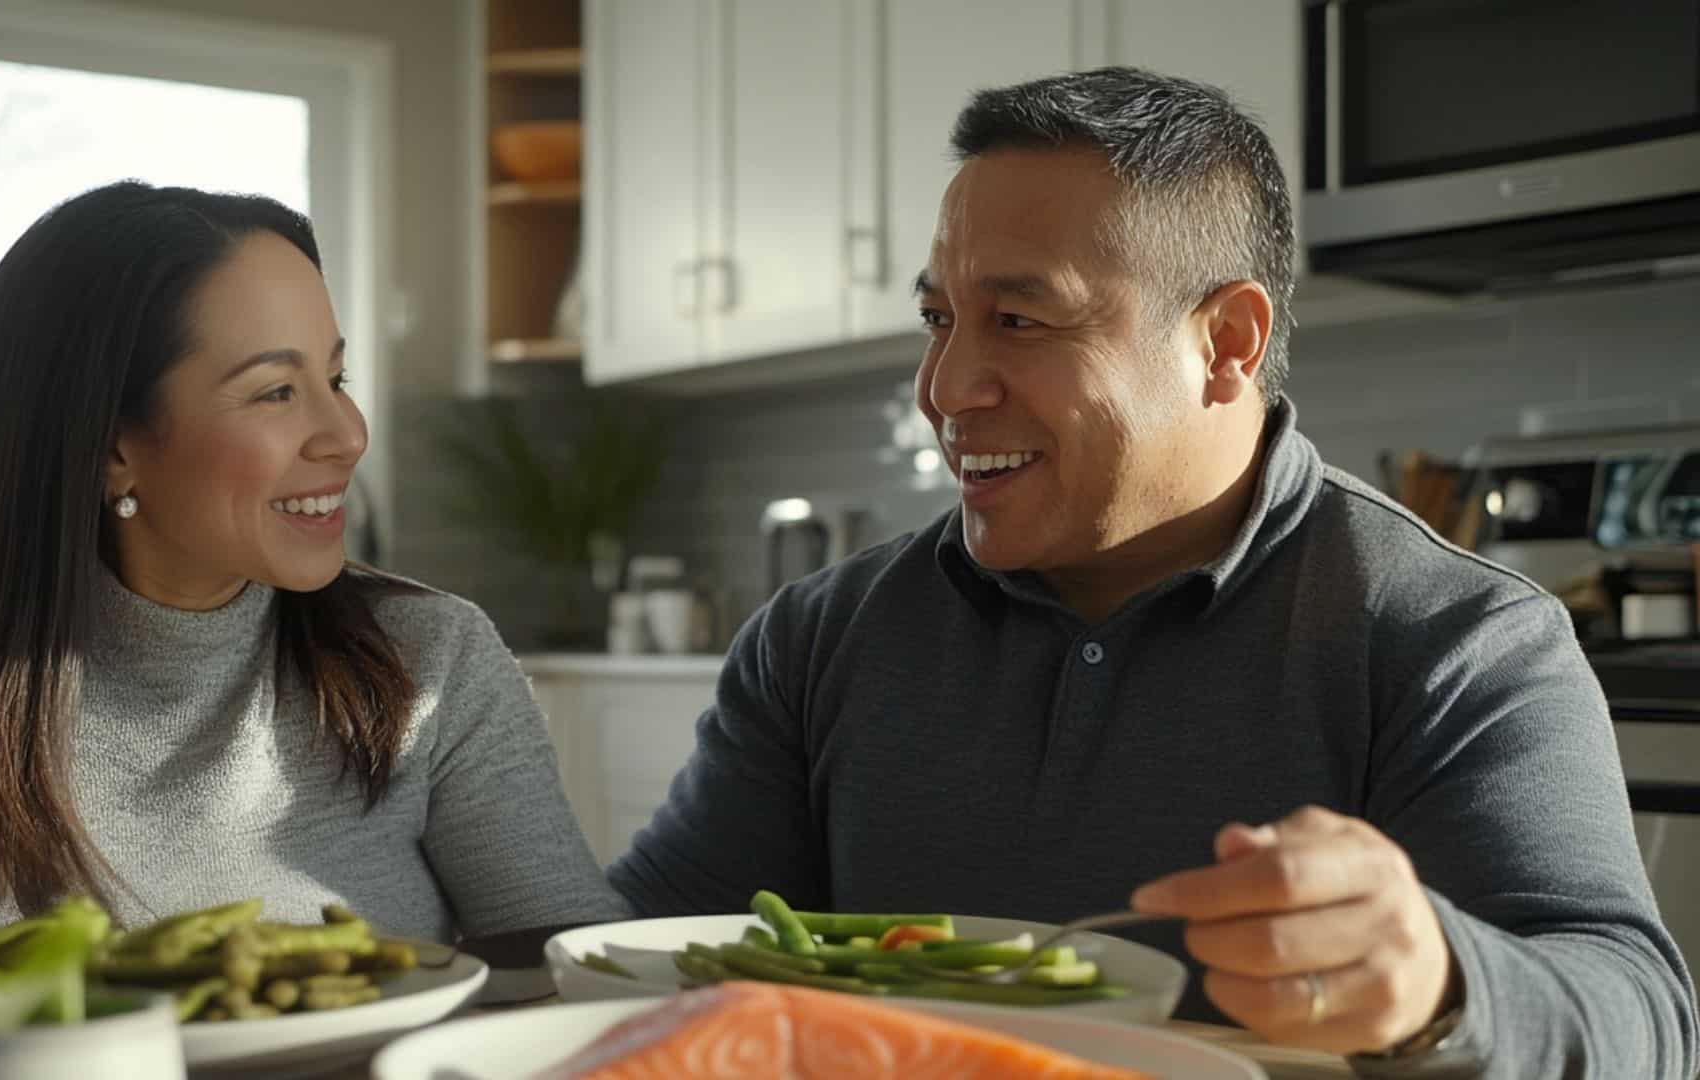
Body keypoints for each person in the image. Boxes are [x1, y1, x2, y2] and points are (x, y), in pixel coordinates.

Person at [607, 68, 1697, 1077]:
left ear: (1226, 342)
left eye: (1019, 320)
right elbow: (631, 958)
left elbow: (1644, 1021)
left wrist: (1441, 982)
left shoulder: (1457, 636)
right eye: (939, 318)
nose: (944, 388)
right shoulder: (821, 636)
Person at [0, 181, 626, 1068]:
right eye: (275, 392)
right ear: (111, 446)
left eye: (335, 379)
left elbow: (581, 987)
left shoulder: (430, 658)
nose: (345, 433)